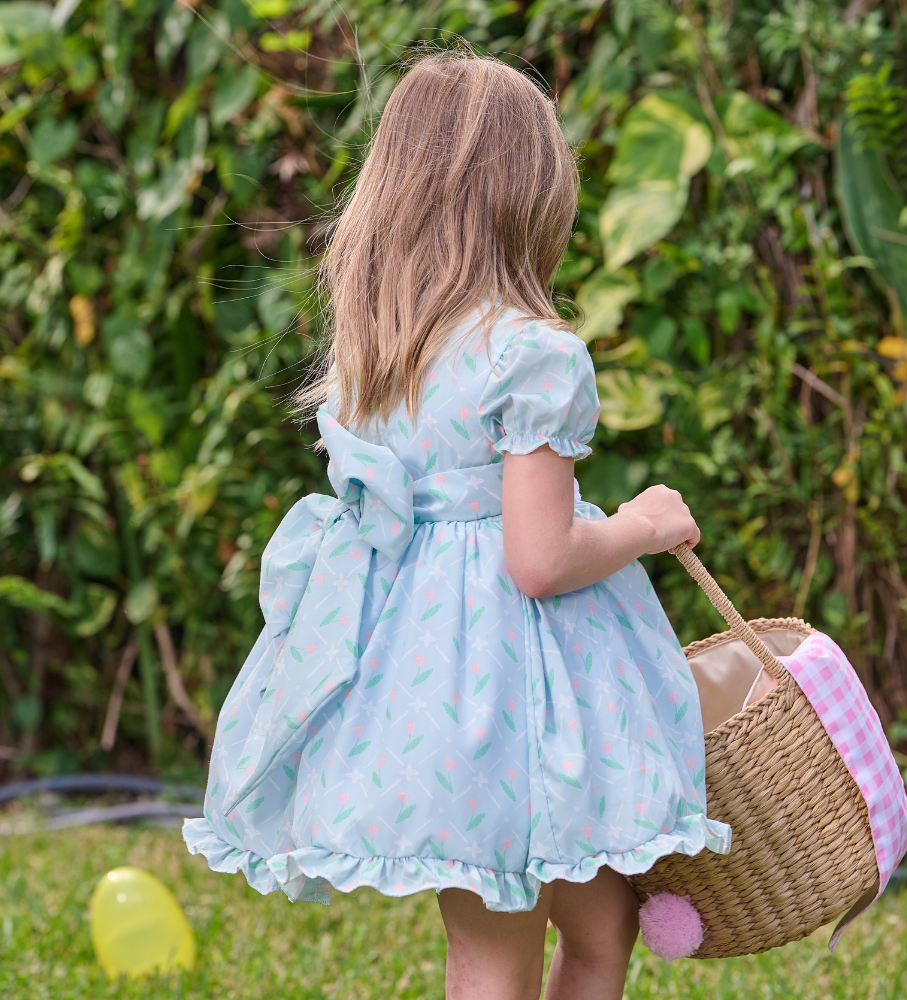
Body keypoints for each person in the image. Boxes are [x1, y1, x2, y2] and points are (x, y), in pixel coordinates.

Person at [183, 51, 730, 1000]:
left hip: (428, 700)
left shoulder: (379, 353)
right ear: (534, 197)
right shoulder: (534, 356)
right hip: (516, 707)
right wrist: (642, 524)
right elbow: (540, 558)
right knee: (532, 951)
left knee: (579, 929)